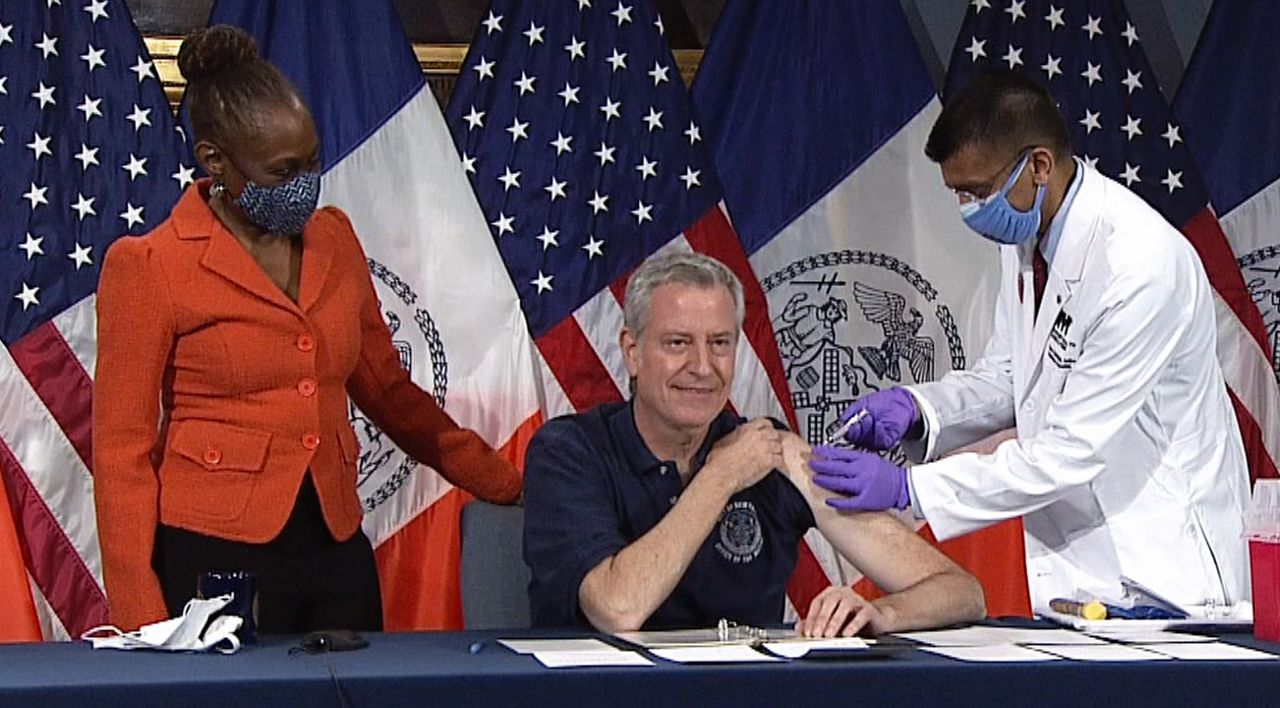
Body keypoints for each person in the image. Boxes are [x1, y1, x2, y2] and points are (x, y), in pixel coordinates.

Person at [92, 26, 521, 633]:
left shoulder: (335, 238)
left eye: (313, 162)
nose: (305, 184)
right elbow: (121, 454)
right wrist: (140, 615)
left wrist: (504, 483)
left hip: (333, 541)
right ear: (214, 161)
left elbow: (392, 396)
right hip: (212, 552)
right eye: (282, 170)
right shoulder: (149, 266)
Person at [810, 69, 1250, 613]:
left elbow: (1069, 453)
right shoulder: (1027, 235)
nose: (968, 210)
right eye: (956, 194)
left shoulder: (1138, 265)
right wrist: (922, 410)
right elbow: (1014, 373)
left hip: (1168, 577)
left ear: (1039, 164)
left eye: (977, 191)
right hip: (1084, 582)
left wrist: (912, 489)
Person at [522, 252, 985, 635]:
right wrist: (721, 477)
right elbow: (618, 608)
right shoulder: (568, 453)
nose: (703, 366)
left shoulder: (772, 452)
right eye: (678, 343)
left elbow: (960, 592)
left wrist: (882, 613)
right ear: (632, 351)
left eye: (720, 343)